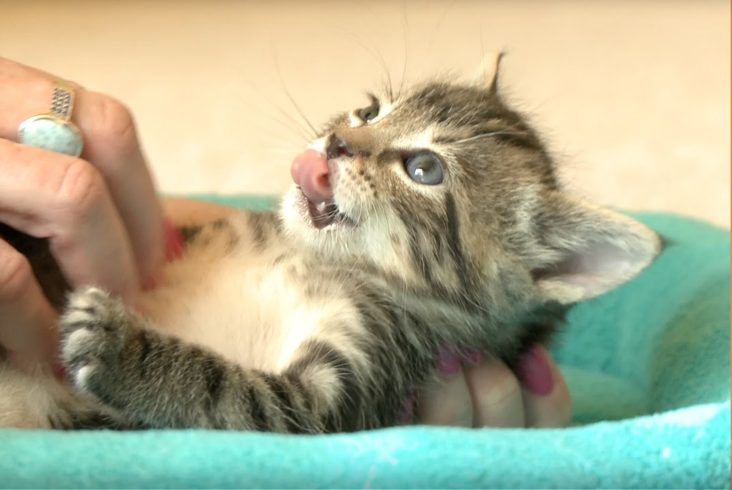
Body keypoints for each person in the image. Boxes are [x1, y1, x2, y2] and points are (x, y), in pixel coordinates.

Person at [0, 56, 571, 428]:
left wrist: (139, 364)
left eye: (424, 168)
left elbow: (301, 415)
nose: (346, 139)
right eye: (372, 112)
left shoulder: (400, 324)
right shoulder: (292, 242)